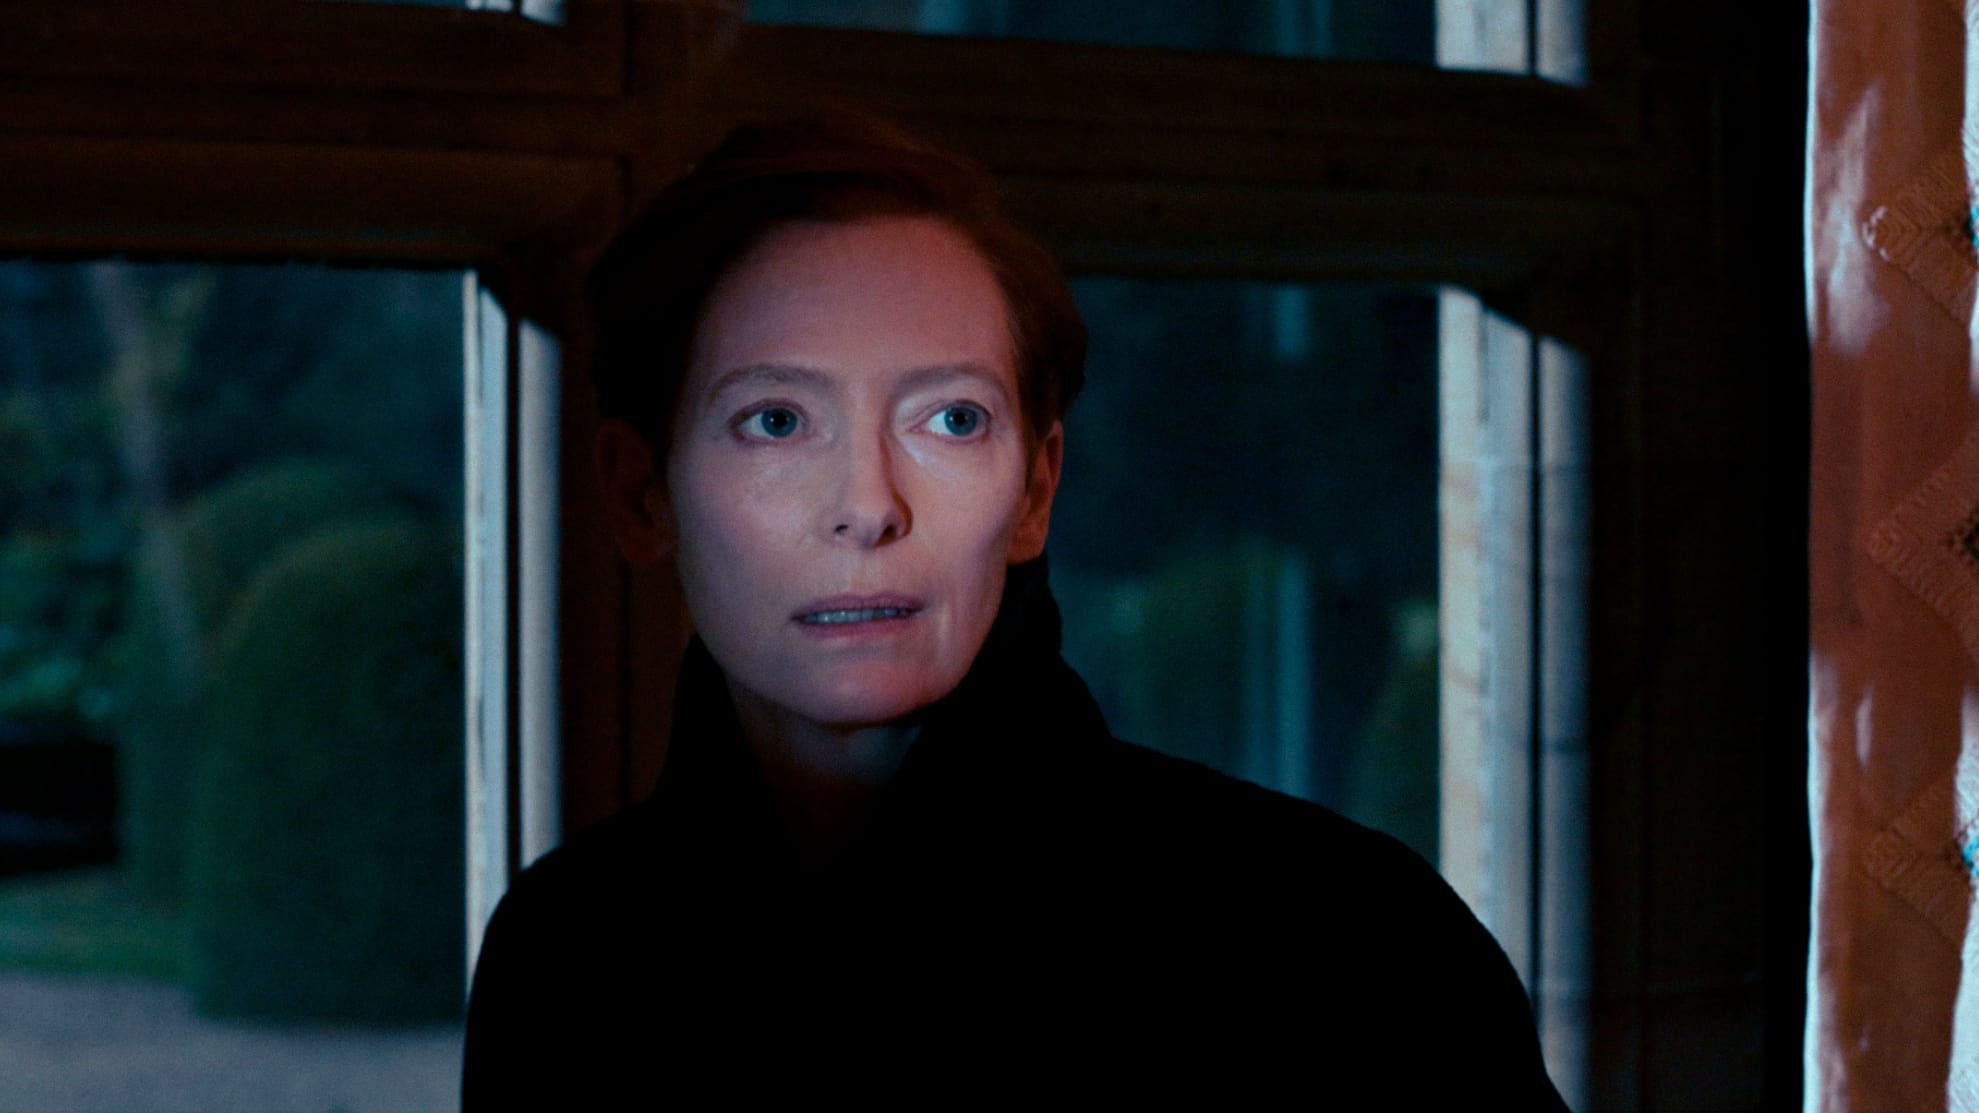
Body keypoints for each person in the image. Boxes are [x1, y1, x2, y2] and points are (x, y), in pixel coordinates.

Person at [461, 116, 1567, 1105]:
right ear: (639, 492)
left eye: (949, 419)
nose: (868, 506)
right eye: (775, 422)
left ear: (1035, 488)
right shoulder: (565, 954)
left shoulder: (1343, 939)